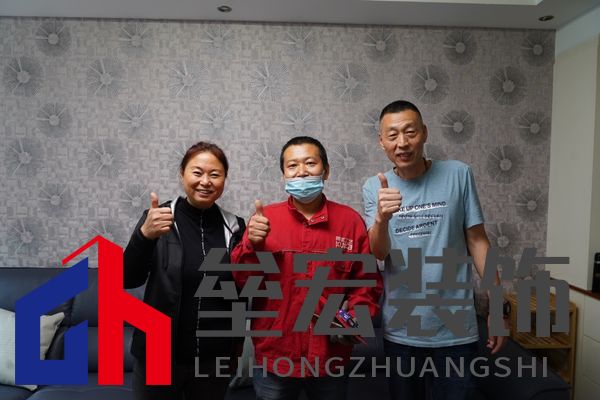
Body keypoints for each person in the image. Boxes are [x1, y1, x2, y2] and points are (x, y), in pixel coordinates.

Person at [362, 100, 508, 400]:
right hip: (401, 329)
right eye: (392, 135)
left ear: (424, 133)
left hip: (455, 329)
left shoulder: (458, 174)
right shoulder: (374, 187)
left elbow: (478, 242)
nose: (402, 143)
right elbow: (378, 253)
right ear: (381, 142)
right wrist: (381, 219)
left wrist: (497, 308)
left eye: (410, 132)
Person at [231, 136, 383, 400]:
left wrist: (353, 320)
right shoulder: (264, 220)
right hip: (275, 356)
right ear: (283, 175)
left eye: (310, 163)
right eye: (292, 166)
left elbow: (366, 284)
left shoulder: (350, 222)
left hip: (330, 357)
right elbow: (242, 281)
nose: (301, 171)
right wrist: (252, 245)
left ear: (326, 170)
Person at [123, 141, 246, 400]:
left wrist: (237, 344)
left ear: (224, 179)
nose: (205, 181)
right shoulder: (158, 218)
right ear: (182, 174)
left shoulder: (235, 227)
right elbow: (127, 278)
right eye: (197, 172)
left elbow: (239, 293)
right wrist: (144, 236)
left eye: (215, 174)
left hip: (213, 359)